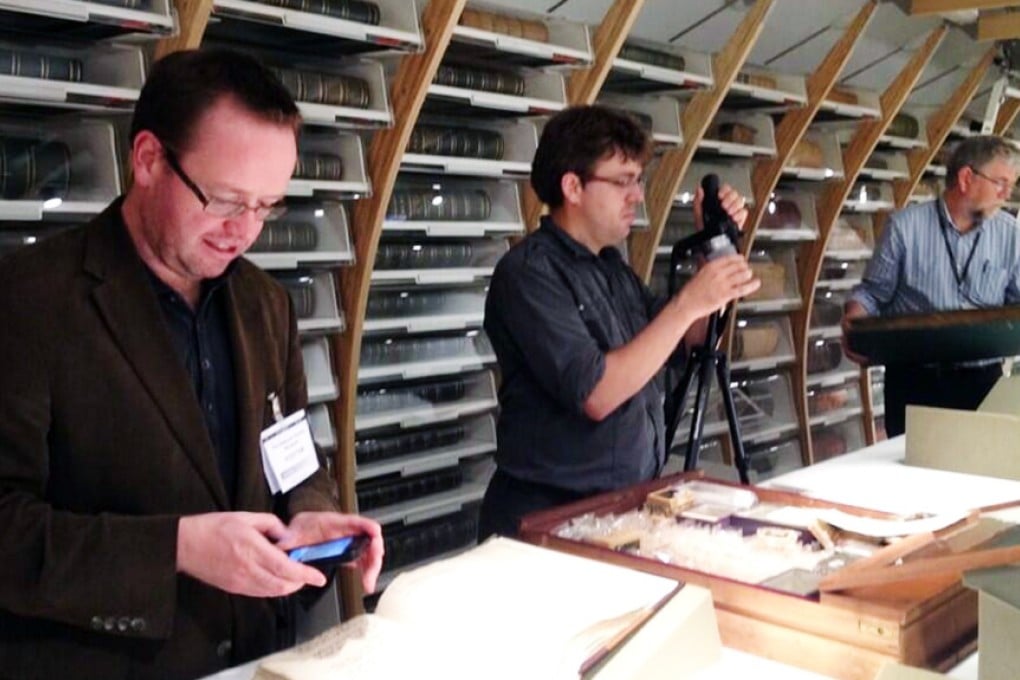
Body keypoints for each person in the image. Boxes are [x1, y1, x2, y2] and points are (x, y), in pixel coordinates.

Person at [0, 49, 383, 680]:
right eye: (227, 200)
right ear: (148, 159)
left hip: (259, 656)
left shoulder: (267, 305)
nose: (245, 232)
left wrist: (310, 512)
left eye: (266, 206)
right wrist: (175, 548)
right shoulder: (29, 302)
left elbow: (290, 456)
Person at [478, 105, 760, 541]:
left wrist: (714, 246)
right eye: (622, 181)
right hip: (548, 518)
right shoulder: (528, 274)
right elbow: (596, 392)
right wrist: (687, 302)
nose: (637, 195)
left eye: (638, 180)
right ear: (573, 186)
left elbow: (689, 340)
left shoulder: (612, 269)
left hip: (617, 508)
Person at [843, 135, 1020, 437]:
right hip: (915, 383)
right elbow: (872, 294)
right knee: (911, 476)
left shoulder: (1011, 234)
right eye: (1000, 183)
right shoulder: (904, 227)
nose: (1007, 194)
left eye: (1011, 185)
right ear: (966, 177)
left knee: (978, 476)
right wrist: (854, 325)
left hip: (983, 383)